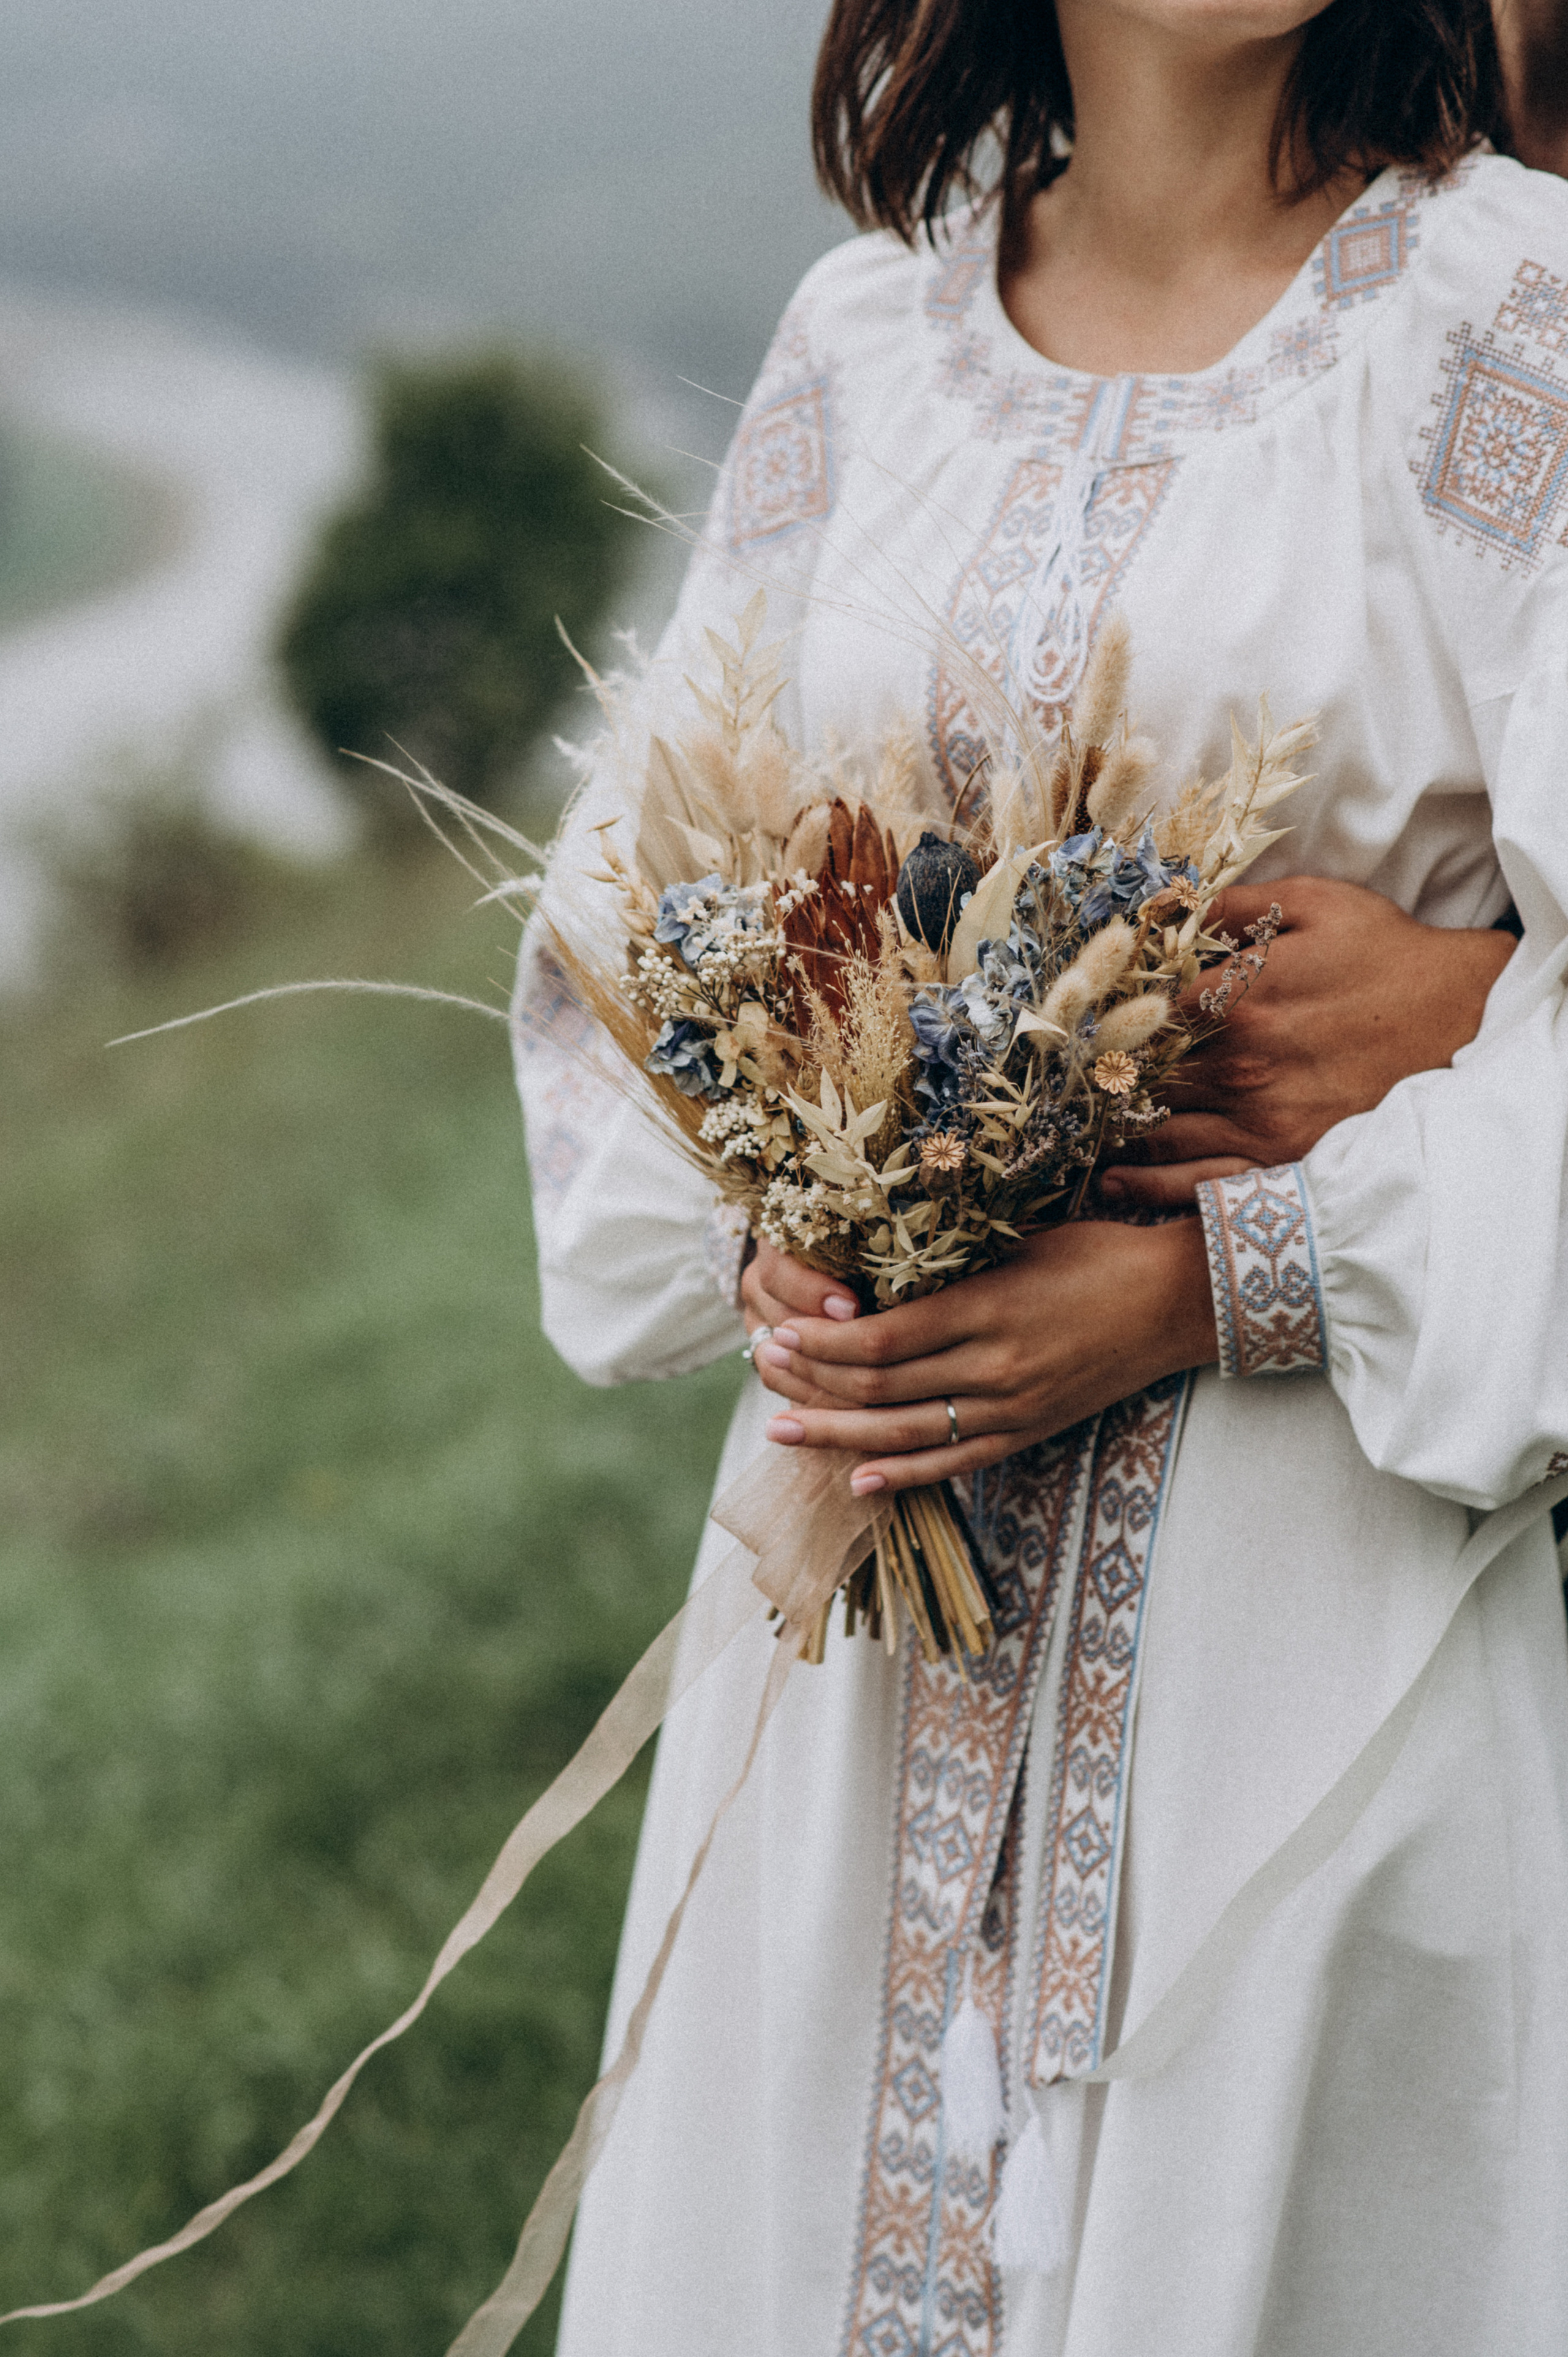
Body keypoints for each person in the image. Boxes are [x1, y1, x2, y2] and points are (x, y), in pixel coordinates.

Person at [512, 2, 1568, 2349]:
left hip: (1305, 1645)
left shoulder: (1524, 328)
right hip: (851, 1628)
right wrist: (787, 1205)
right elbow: (625, 933)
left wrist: (1232, 1274)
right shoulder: (860, 348)